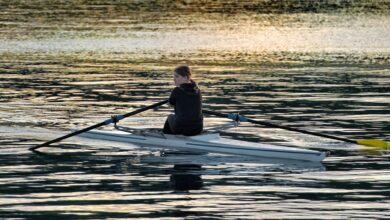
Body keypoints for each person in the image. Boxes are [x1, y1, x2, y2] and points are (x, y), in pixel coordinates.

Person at [163, 65, 203, 136]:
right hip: (197, 129)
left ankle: (165, 137)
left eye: (177, 76)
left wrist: (171, 102)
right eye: (174, 76)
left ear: (185, 77)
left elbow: (170, 104)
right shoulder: (198, 90)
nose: (174, 79)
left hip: (180, 129)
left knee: (170, 116)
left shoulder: (177, 90)